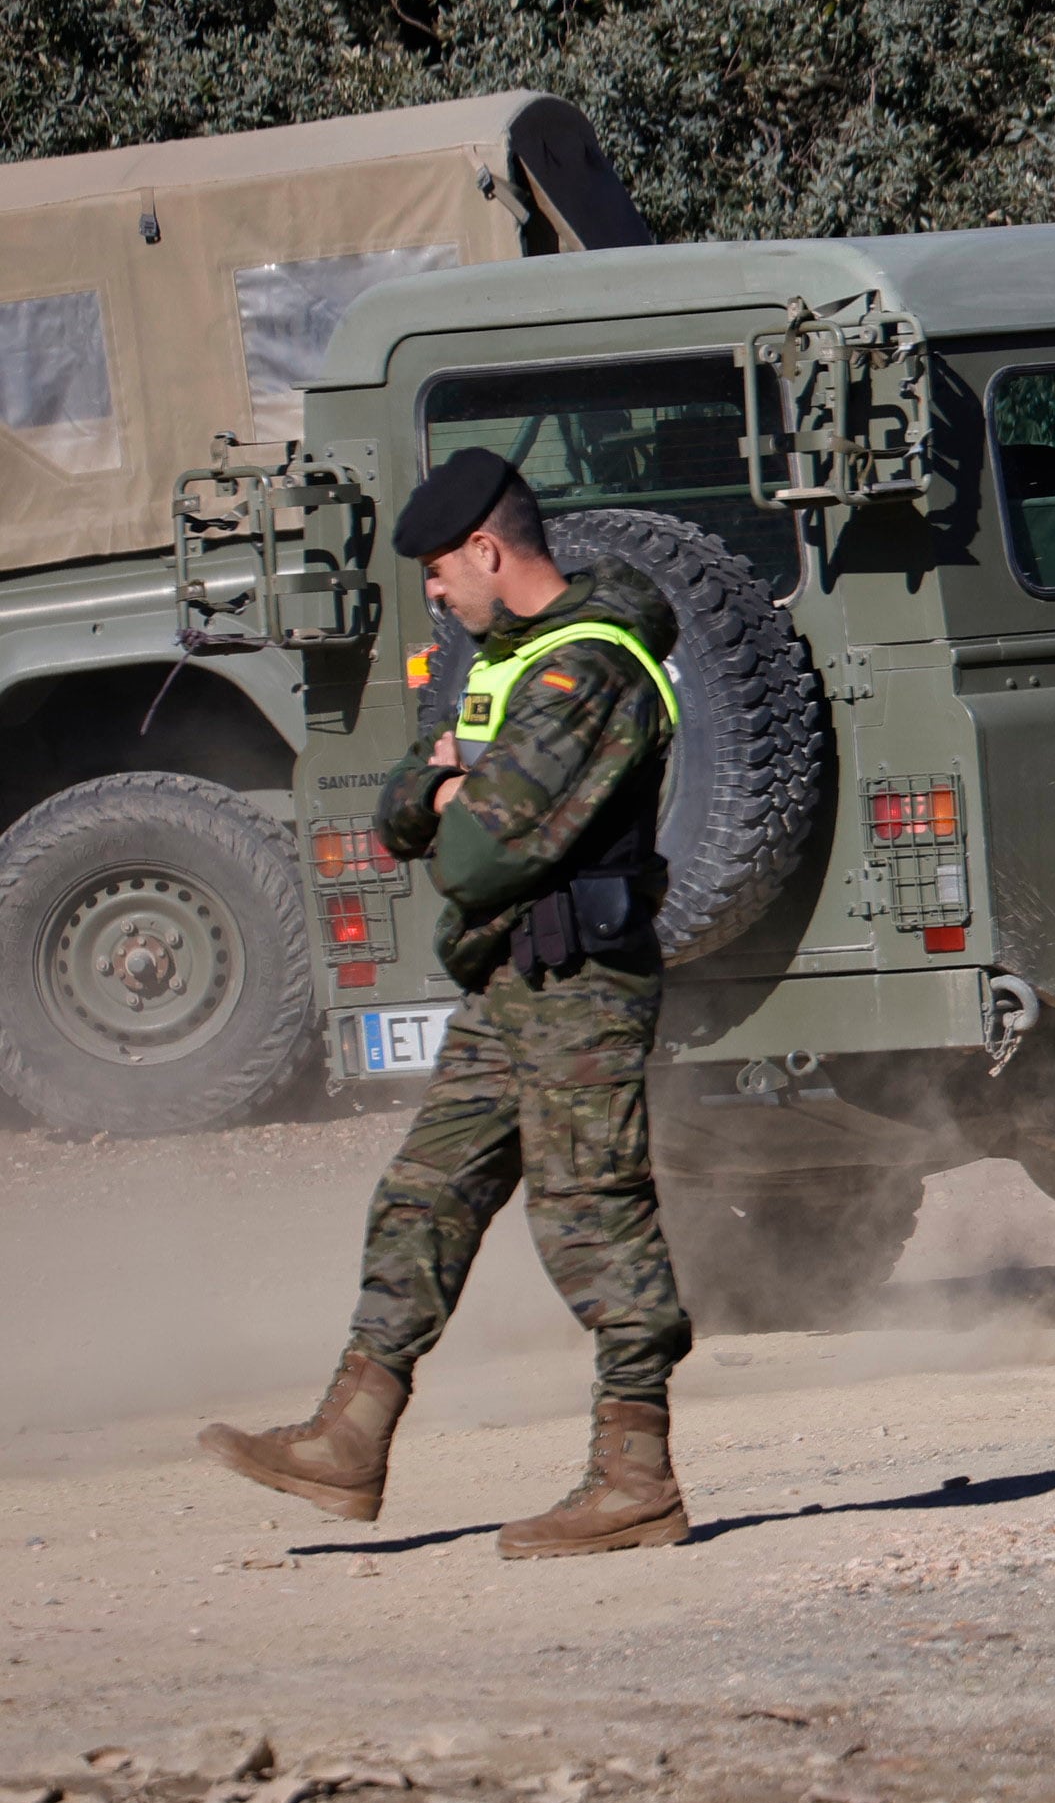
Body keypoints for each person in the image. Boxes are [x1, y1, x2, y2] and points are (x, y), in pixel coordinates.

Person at [198, 448, 697, 1557]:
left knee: (593, 1216)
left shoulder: (589, 668)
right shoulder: (504, 664)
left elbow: (474, 856)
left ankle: (637, 1477)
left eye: (438, 570)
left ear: (488, 549)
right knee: (425, 1193)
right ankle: (351, 1436)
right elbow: (405, 808)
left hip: (578, 985)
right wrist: (440, 784)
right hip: (508, 980)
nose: (432, 591)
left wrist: (450, 793)